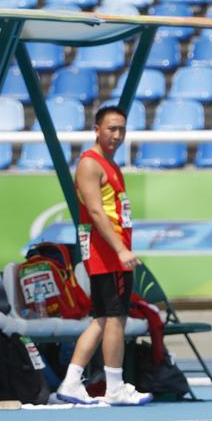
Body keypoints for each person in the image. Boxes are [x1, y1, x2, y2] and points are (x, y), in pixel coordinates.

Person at [56, 106, 152, 406]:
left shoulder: (110, 164)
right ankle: (114, 386)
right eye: (111, 128)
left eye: (122, 129)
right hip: (106, 253)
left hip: (110, 252)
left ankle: (72, 381)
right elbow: (96, 211)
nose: (117, 135)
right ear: (97, 129)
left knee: (101, 320)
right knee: (115, 319)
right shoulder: (90, 163)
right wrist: (121, 249)